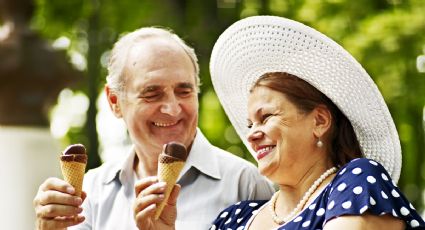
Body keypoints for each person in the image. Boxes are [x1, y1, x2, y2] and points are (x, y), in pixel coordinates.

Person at [33, 27, 274, 230]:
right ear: (115, 102)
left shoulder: (245, 183)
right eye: (152, 93)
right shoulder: (92, 191)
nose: (172, 108)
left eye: (184, 91)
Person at [208, 16, 425, 229]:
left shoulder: (357, 181)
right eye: (250, 125)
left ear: (320, 121)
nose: (252, 135)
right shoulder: (233, 219)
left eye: (266, 118)